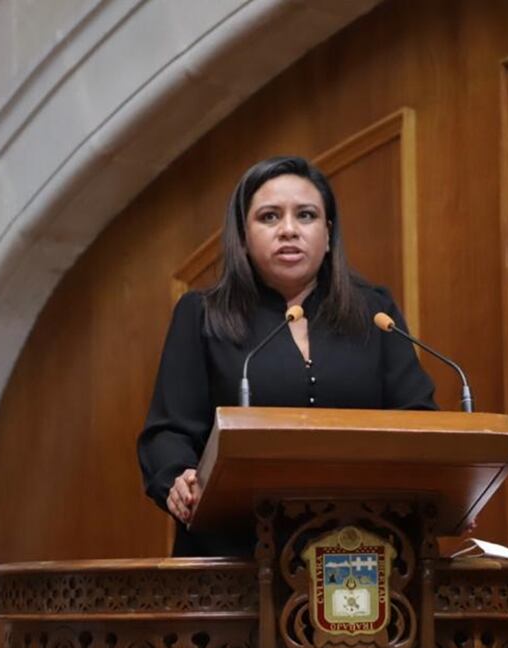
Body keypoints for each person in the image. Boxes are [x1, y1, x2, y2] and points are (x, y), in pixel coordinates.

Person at [137, 155, 437, 556]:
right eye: (270, 217)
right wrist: (178, 477)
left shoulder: (374, 313)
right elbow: (168, 431)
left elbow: (418, 419)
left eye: (307, 215)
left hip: (362, 552)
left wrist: (444, 487)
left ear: (328, 235)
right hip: (234, 555)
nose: (289, 230)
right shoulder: (203, 314)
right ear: (242, 235)